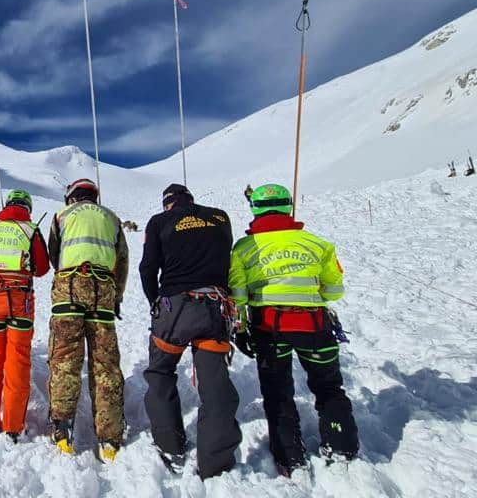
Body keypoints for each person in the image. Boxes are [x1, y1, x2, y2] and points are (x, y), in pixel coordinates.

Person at [229, 184, 358, 475]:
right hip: (315, 325)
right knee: (328, 387)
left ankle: (289, 456)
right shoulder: (318, 244)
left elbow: (237, 294)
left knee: (278, 392)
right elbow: (335, 290)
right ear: (289, 206)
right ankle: (341, 444)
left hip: (268, 328)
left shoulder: (243, 248)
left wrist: (241, 326)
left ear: (255, 209)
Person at [138, 184, 241, 478]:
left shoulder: (159, 221)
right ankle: (215, 461)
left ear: (167, 204)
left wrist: (155, 301)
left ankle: (170, 444)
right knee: (214, 382)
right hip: (214, 307)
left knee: (160, 372)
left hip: (176, 308)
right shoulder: (220, 217)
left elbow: (148, 268)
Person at [46, 179, 128, 462]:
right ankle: (110, 435)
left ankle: (62, 427)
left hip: (68, 288)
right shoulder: (113, 219)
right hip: (103, 292)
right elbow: (122, 261)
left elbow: (54, 254)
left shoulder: (61, 216)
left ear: (71, 197)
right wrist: (116, 297)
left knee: (65, 359)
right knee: (105, 364)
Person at [0, 189, 50, 441]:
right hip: (19, 303)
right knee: (17, 362)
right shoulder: (30, 229)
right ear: (27, 208)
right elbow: (41, 268)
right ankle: (13, 426)